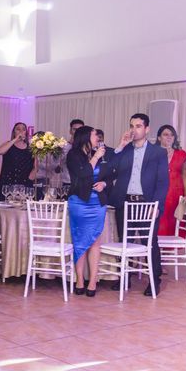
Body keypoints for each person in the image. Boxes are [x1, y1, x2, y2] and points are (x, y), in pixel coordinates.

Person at [108, 113, 169, 296]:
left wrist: (156, 205)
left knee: (149, 243)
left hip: (146, 204)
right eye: (132, 126)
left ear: (147, 129)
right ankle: (123, 278)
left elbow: (162, 182)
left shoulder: (158, 152)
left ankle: (154, 281)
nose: (134, 130)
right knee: (124, 242)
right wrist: (120, 146)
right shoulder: (125, 150)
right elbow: (111, 169)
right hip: (125, 202)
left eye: (138, 126)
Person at [67, 126, 112, 297]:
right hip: (79, 202)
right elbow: (84, 173)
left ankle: (92, 281)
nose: (97, 138)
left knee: (94, 241)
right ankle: (79, 280)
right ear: (85, 137)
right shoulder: (73, 155)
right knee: (79, 241)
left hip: (97, 203)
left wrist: (104, 184)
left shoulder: (101, 154)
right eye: (94, 135)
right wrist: (95, 157)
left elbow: (109, 176)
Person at [156, 125, 186, 235]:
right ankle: (158, 250)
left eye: (172, 135)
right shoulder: (153, 154)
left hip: (176, 195)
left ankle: (174, 251)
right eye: (166, 134)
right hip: (159, 195)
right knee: (159, 223)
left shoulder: (182, 154)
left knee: (175, 224)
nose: (169, 137)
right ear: (159, 138)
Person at [0, 122, 35, 201]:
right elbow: (0, 151)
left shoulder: (31, 148)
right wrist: (15, 140)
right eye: (18, 129)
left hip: (24, 183)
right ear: (14, 132)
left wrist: (29, 183)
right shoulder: (9, 144)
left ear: (26, 132)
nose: (21, 131)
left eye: (23, 129)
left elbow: (35, 168)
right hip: (7, 183)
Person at [58, 119, 85, 186]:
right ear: (70, 131)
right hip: (67, 181)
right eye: (75, 129)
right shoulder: (63, 146)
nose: (77, 132)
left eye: (80, 129)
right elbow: (57, 166)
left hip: (83, 182)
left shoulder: (87, 147)